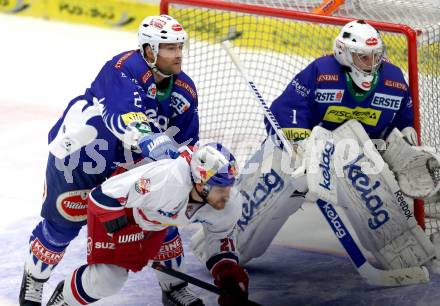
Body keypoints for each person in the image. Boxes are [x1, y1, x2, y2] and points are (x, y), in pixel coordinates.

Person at [191, 19, 422, 266]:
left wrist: (404, 147)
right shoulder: (322, 72)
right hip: (307, 156)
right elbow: (284, 111)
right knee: (270, 179)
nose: (371, 64)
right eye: (363, 57)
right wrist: (300, 144)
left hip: (356, 159)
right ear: (344, 53)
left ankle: (402, 254)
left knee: (377, 195)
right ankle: (221, 247)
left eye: (376, 57)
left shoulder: (393, 81)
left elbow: (401, 124)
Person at [20, 15, 201, 306]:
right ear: (149, 50)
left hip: (127, 165)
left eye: (179, 46)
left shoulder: (185, 90)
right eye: (169, 47)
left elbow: (187, 139)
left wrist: (187, 165)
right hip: (81, 156)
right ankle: (34, 281)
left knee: (164, 214)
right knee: (61, 227)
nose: (178, 53)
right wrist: (150, 139)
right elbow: (123, 115)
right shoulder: (123, 67)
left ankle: (174, 287)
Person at [44, 143, 249, 306]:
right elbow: (101, 197)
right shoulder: (167, 180)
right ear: (200, 183)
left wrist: (230, 279)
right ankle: (65, 299)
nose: (227, 194)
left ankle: (174, 290)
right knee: (108, 279)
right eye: (219, 187)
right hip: (119, 209)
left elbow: (220, 241)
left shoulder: (228, 203)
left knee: (165, 227)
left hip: (154, 219)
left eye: (229, 185)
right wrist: (124, 233)